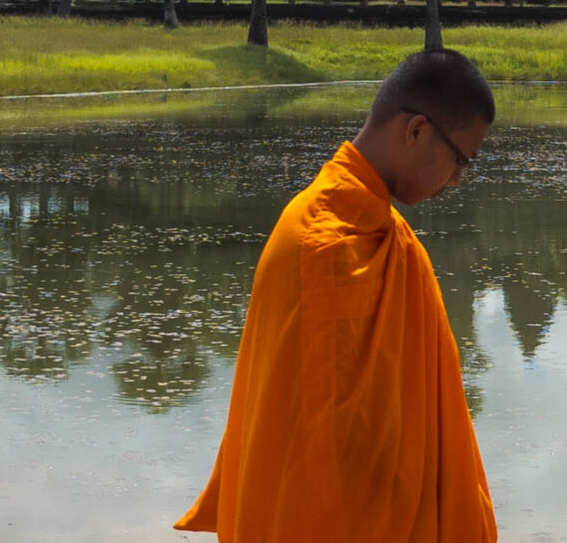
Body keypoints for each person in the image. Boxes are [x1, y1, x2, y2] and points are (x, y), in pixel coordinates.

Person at [178, 48, 498, 542]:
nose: (456, 181)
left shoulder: (378, 230)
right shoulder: (325, 248)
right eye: (460, 161)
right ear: (415, 131)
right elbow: (324, 466)